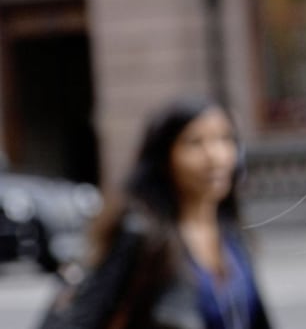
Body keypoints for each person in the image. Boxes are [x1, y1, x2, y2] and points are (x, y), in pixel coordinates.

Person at [40, 96, 271, 329]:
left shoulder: (230, 232)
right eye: (195, 143)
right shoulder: (142, 233)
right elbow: (82, 317)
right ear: (164, 156)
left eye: (225, 139)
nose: (215, 157)